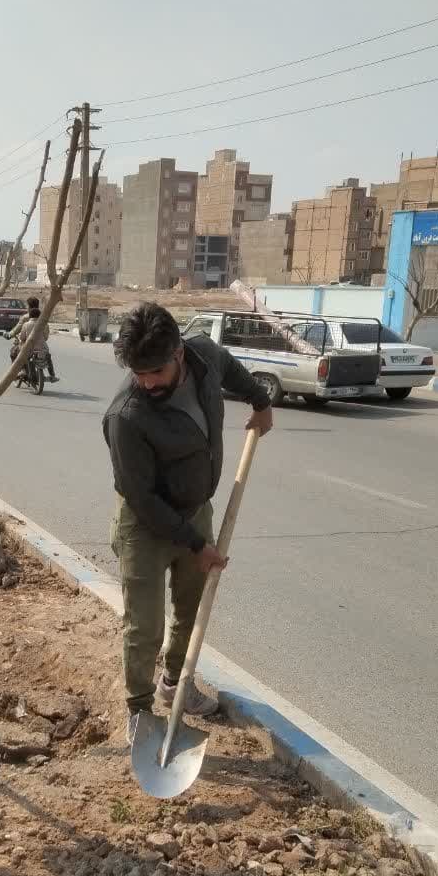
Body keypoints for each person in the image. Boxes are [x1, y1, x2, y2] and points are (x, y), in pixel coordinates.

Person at [103, 303, 273, 744]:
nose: (146, 383)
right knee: (144, 625)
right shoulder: (126, 415)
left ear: (178, 352)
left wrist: (260, 400)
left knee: (192, 607)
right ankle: (139, 709)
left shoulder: (203, 357)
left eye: (155, 372)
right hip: (144, 523)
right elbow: (141, 498)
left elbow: (231, 368)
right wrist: (197, 545)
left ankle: (175, 682)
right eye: (138, 373)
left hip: (195, 508)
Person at [9, 296, 57, 381]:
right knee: (47, 356)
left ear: (29, 306)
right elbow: (45, 337)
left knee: (14, 351)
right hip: (42, 347)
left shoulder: (25, 320)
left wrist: (10, 334)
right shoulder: (43, 318)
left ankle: (21, 370)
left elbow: (19, 332)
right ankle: (52, 374)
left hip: (28, 347)